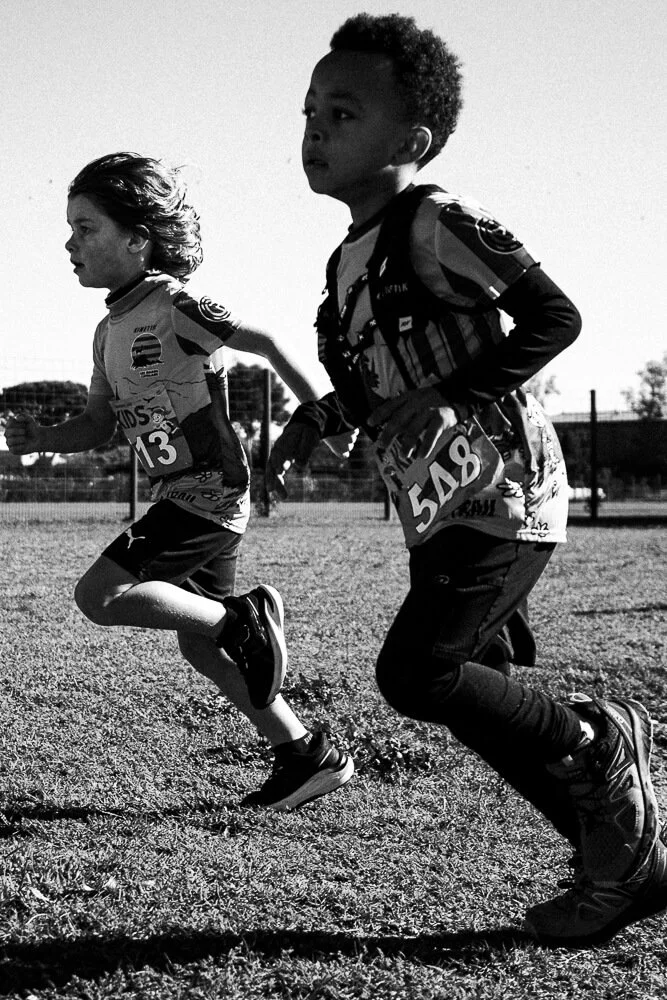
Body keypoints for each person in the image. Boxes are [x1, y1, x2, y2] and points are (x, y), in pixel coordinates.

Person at [266, 14, 667, 945]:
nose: (314, 129)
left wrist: (452, 393)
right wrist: (313, 420)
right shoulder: (345, 261)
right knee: (477, 684)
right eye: (308, 110)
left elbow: (552, 317)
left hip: (505, 493)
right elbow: (369, 389)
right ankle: (624, 861)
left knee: (419, 671)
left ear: (408, 140)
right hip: (435, 506)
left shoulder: (437, 220)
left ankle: (602, 740)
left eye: (341, 111)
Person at [6, 152, 354, 811]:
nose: (68, 244)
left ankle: (240, 617)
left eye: (85, 229)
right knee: (200, 646)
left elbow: (270, 345)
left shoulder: (177, 305)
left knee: (100, 597)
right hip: (179, 495)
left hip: (210, 492)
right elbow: (99, 424)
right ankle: (306, 753)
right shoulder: (108, 328)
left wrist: (322, 420)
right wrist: (42, 439)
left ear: (137, 240)